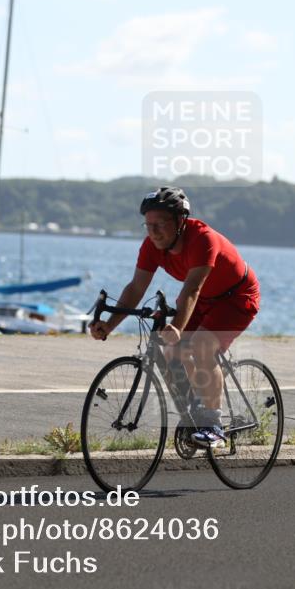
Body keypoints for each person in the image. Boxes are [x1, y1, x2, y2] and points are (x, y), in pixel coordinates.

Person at [89, 186, 260, 448]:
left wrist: (178, 326)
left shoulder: (202, 240)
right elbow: (136, 288)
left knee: (202, 346)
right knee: (170, 351)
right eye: (148, 225)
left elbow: (192, 288)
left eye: (160, 224)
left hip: (236, 296)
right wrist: (110, 325)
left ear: (181, 221)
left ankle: (213, 424)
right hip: (202, 298)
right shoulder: (151, 245)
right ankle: (197, 403)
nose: (153, 231)